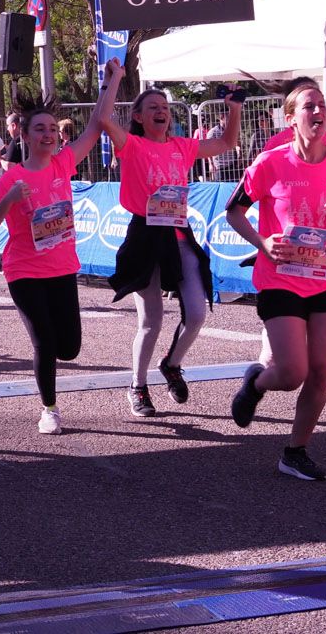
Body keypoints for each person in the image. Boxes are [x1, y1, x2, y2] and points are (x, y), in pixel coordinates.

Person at [224, 80, 326, 482]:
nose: (319, 111)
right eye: (309, 105)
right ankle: (256, 384)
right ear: (291, 118)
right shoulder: (270, 162)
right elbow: (234, 212)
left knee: (322, 371)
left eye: (322, 105)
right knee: (292, 372)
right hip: (281, 277)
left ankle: (295, 451)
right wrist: (261, 241)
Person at [0, 62, 120, 434]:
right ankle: (49, 408)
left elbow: (95, 125)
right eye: (39, 129)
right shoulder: (13, 177)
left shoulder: (63, 164)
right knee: (43, 340)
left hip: (61, 267)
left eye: (52, 129)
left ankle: (51, 382)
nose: (48, 134)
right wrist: (9, 198)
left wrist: (114, 80)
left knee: (69, 348)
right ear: (24, 135)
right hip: (24, 271)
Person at [101, 86, 242, 416]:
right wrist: (116, 78)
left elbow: (225, 143)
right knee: (151, 321)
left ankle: (172, 364)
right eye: (152, 107)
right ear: (138, 117)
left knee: (196, 313)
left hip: (179, 235)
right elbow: (104, 119)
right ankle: (137, 387)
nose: (160, 110)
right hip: (145, 237)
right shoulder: (131, 144)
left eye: (164, 106)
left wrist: (234, 109)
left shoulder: (182, 145)